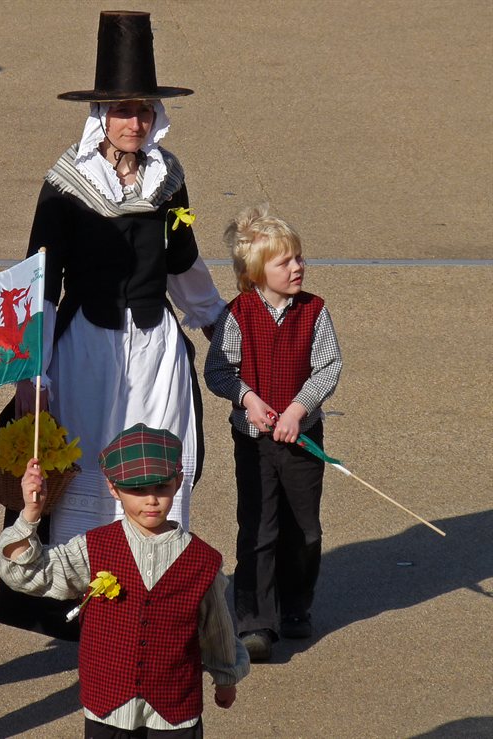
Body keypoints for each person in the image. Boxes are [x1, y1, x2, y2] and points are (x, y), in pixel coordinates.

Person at [0, 9, 225, 639]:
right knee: (89, 471)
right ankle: (87, 610)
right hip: (87, 350)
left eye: (144, 110)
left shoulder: (169, 179)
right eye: (123, 110)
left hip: (155, 351)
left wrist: (222, 327)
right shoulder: (66, 185)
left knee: (156, 468)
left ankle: (159, 599)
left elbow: (183, 260)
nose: (135, 122)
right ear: (100, 114)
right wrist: (29, 373)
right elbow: (39, 280)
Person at [0, 424, 250, 738]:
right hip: (108, 707)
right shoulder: (93, 547)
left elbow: (218, 629)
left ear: (178, 482)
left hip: (174, 709)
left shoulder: (202, 560)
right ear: (113, 488)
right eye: (137, 490)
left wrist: (226, 678)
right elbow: (27, 573)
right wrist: (32, 512)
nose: (151, 500)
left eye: (161, 487)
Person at [203, 204, 342, 662]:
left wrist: (299, 409)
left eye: (299, 258)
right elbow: (219, 371)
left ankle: (296, 605)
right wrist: (248, 399)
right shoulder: (237, 314)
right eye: (285, 262)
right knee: (258, 529)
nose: (298, 267)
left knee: (305, 530)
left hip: (303, 439)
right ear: (256, 272)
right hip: (254, 441)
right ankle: (255, 621)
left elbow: (328, 367)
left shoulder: (314, 311)